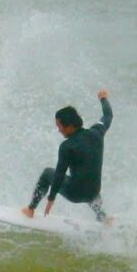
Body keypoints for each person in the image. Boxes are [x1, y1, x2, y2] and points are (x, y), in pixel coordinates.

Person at [23, 89, 113, 222]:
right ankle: (102, 217)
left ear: (70, 126)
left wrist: (51, 198)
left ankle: (30, 209)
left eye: (60, 126)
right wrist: (103, 98)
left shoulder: (67, 146)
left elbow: (59, 174)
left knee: (48, 173)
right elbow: (108, 116)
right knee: (87, 177)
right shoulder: (97, 133)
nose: (58, 130)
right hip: (94, 192)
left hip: (75, 194)